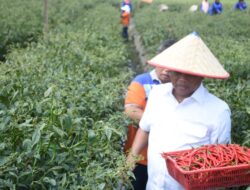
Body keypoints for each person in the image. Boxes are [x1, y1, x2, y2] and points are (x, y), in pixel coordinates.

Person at [127, 32, 231, 190]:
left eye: (189, 74)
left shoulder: (218, 111)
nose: (182, 79)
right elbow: (145, 128)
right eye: (177, 72)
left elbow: (221, 161)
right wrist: (130, 160)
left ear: (202, 75)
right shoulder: (157, 95)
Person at [124, 39, 176, 190]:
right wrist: (162, 122)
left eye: (171, 65)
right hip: (141, 157)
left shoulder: (179, 88)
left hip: (168, 159)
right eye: (163, 63)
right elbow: (131, 110)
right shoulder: (142, 81)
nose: (166, 69)